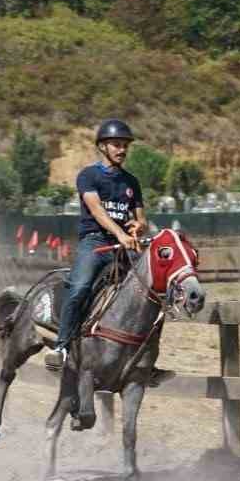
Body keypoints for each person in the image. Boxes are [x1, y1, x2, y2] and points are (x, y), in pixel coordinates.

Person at [45, 119, 147, 372]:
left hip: (123, 246)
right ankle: (62, 346)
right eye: (116, 144)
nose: (122, 149)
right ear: (102, 147)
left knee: (148, 291)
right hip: (95, 243)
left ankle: (145, 356)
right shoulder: (88, 176)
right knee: (79, 288)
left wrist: (138, 226)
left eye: (124, 145)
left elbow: (141, 217)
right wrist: (120, 234)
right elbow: (97, 211)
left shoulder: (131, 182)